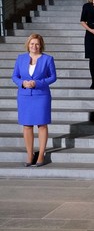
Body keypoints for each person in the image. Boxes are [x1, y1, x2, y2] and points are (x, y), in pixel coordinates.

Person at [12, 33, 57, 167]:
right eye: (32, 44)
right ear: (28, 45)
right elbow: (14, 76)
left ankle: (41, 154)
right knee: (27, 125)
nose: (34, 46)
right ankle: (29, 154)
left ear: (40, 45)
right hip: (24, 96)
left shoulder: (48, 59)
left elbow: (53, 77)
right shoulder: (20, 59)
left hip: (41, 96)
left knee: (42, 125)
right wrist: (22, 83)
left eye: (37, 44)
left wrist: (37, 83)